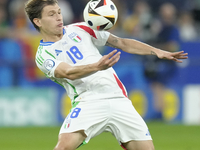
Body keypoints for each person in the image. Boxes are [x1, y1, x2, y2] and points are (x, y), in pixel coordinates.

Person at [24, 0, 188, 150]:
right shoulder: (44, 55)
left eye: (59, 12)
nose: (59, 17)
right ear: (37, 21)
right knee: (63, 147)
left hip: (118, 98)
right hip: (87, 101)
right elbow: (68, 72)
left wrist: (157, 52)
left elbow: (122, 42)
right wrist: (96, 66)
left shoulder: (80, 28)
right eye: (52, 14)